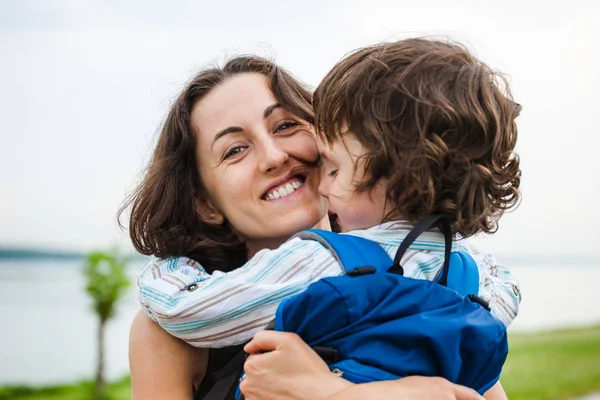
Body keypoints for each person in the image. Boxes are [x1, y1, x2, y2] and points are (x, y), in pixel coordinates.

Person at [124, 51, 519, 399]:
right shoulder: (169, 336)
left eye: (284, 126)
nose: (274, 156)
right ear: (205, 204)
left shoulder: (442, 287)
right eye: (235, 150)